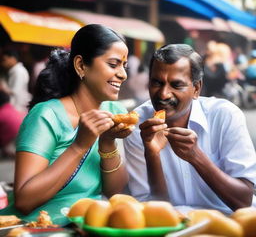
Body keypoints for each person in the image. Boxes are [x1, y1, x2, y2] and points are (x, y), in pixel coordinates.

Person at [0, 24, 132, 226]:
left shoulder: (116, 112)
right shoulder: (47, 115)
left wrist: (107, 143)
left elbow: (114, 193)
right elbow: (24, 201)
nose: (123, 74)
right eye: (113, 64)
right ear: (81, 65)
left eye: (124, 65)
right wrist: (80, 145)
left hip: (88, 225)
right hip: (40, 228)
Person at [124, 44, 256, 215]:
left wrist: (196, 156)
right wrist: (152, 154)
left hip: (230, 223)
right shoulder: (139, 126)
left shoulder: (224, 116)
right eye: (157, 82)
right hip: (175, 227)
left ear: (196, 89)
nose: (164, 94)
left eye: (176, 85)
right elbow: (155, 209)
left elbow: (244, 201)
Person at [0, 49, 31, 113]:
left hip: (18, 108)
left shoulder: (18, 71)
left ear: (12, 58)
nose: (2, 63)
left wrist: (2, 87)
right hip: (16, 108)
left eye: (4, 60)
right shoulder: (14, 71)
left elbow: (15, 92)